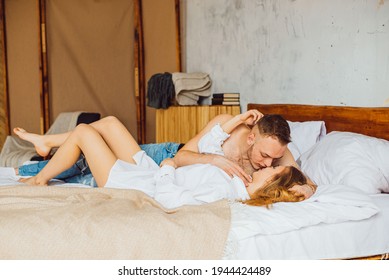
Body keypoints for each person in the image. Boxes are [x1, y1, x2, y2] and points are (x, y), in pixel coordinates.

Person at [18, 114, 314, 208]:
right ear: (251, 137)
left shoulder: (276, 161)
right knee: (107, 123)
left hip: (147, 179)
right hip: (161, 167)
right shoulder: (232, 129)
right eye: (265, 157)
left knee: (84, 133)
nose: (268, 165)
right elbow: (183, 156)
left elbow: (303, 184)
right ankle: (46, 145)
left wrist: (293, 186)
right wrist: (213, 161)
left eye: (274, 164)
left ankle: (38, 179)